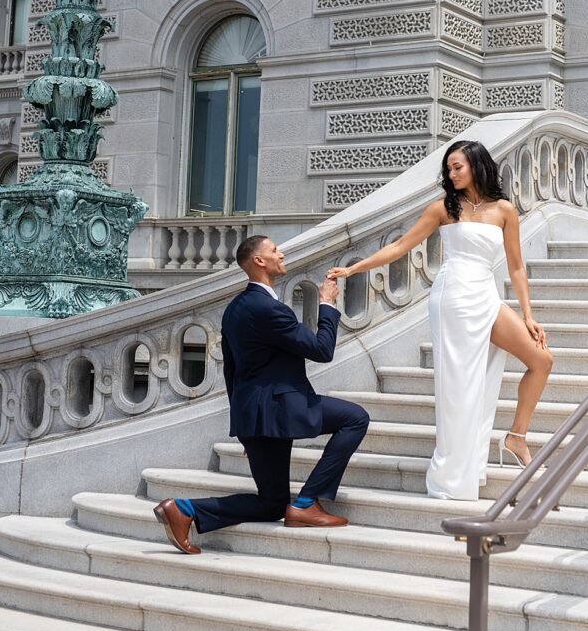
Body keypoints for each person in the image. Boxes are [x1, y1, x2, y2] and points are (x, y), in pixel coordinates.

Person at [328, 140, 552, 502]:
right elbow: (399, 247)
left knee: (541, 360)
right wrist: (354, 268)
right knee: (459, 387)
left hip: (487, 295)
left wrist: (528, 314)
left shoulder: (504, 210)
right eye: (448, 168)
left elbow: (515, 266)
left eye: (457, 166)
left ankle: (516, 437)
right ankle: (453, 475)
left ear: (477, 165)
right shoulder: (443, 208)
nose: (451, 174)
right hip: (452, 298)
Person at [154, 234, 370, 553]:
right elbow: (322, 350)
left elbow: (233, 372)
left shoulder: (235, 309)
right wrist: (327, 305)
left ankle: (185, 510)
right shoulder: (269, 309)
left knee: (271, 504)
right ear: (259, 261)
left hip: (255, 414)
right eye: (274, 250)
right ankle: (308, 502)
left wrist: (246, 426)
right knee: (355, 419)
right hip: (281, 407)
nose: (280, 254)